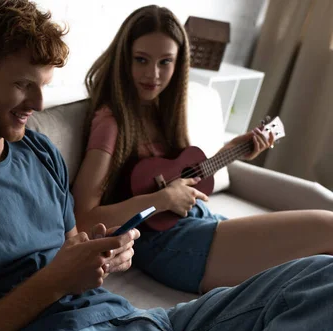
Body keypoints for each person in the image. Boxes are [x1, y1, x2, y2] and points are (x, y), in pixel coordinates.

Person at [0, 1, 333, 331]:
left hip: (140, 323)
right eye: (23, 85)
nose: (37, 102)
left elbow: (71, 243)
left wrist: (98, 256)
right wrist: (55, 281)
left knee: (322, 280)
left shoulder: (38, 152)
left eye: (44, 85)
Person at [73, 5, 333, 294]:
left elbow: (181, 177)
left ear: (178, 63)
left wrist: (233, 150)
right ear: (124, 59)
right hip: (164, 242)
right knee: (328, 227)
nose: (153, 74)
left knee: (322, 270)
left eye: (165, 62)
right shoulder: (112, 121)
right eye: (141, 59)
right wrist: (161, 199)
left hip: (198, 221)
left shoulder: (163, 111)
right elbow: (83, 218)